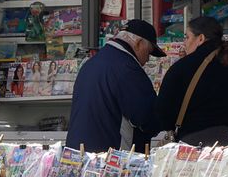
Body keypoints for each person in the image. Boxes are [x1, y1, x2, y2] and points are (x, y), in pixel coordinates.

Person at [155, 16, 228, 145]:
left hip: (194, 148)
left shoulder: (181, 68)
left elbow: (164, 115)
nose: (184, 43)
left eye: (187, 37)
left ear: (200, 38)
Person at [67, 18, 163, 153]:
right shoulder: (128, 68)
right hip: (110, 159)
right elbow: (148, 117)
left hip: (78, 153)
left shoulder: (91, 64)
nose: (147, 59)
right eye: (148, 52)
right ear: (139, 43)